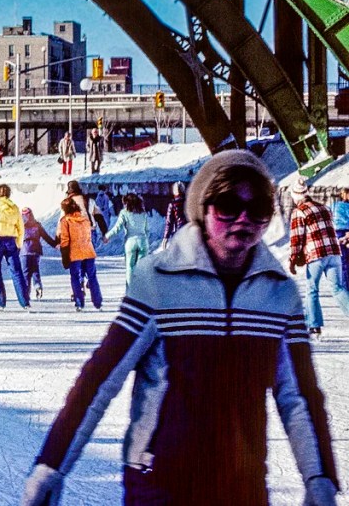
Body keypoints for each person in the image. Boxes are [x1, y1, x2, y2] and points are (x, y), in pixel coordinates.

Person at [21, 149, 341, 506]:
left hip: (241, 482)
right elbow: (101, 378)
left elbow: (298, 397)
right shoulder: (159, 280)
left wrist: (319, 478)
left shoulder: (279, 294)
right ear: (203, 209)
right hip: (160, 480)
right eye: (228, 206)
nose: (242, 220)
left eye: (258, 210)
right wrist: (52, 464)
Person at [288, 177, 349, 338]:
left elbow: (297, 238)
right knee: (338, 288)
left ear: (296, 196)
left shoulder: (299, 211)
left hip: (316, 254)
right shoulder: (324, 208)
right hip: (335, 253)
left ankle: (314, 326)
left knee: (312, 290)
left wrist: (293, 259)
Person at [58, 196, 103, 311]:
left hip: (75, 253)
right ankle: (97, 302)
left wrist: (64, 255)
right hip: (88, 251)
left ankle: (79, 302)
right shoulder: (85, 219)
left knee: (75, 277)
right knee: (92, 276)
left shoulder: (65, 221)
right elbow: (88, 235)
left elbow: (65, 240)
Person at [104, 193, 150, 288]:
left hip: (130, 242)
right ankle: (141, 291)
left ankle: (130, 291)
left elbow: (117, 228)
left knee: (130, 268)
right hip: (143, 242)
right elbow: (147, 230)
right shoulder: (143, 213)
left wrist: (107, 236)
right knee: (141, 269)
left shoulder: (124, 213)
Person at [20, 207, 57, 301]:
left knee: (26, 273)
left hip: (25, 251)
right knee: (35, 270)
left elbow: (14, 238)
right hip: (36, 250)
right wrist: (54, 244)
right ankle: (37, 285)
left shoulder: (20, 226)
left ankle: (26, 294)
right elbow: (45, 236)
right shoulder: (37, 225)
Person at [332, 186, 349, 293]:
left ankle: (345, 287)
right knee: (345, 262)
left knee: (343, 262)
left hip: (337, 233)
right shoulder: (345, 206)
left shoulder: (334, 205)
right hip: (345, 232)